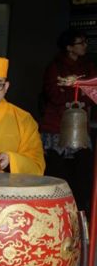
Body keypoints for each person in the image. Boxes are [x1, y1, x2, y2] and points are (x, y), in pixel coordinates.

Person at [38, 30, 96, 211]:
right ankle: (56, 210)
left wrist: (72, 86)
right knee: (57, 172)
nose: (85, 46)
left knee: (82, 173)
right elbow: (54, 95)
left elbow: (92, 93)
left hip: (79, 128)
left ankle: (79, 211)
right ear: (69, 47)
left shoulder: (89, 67)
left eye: (86, 42)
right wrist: (78, 89)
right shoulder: (55, 66)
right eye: (81, 43)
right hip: (56, 127)